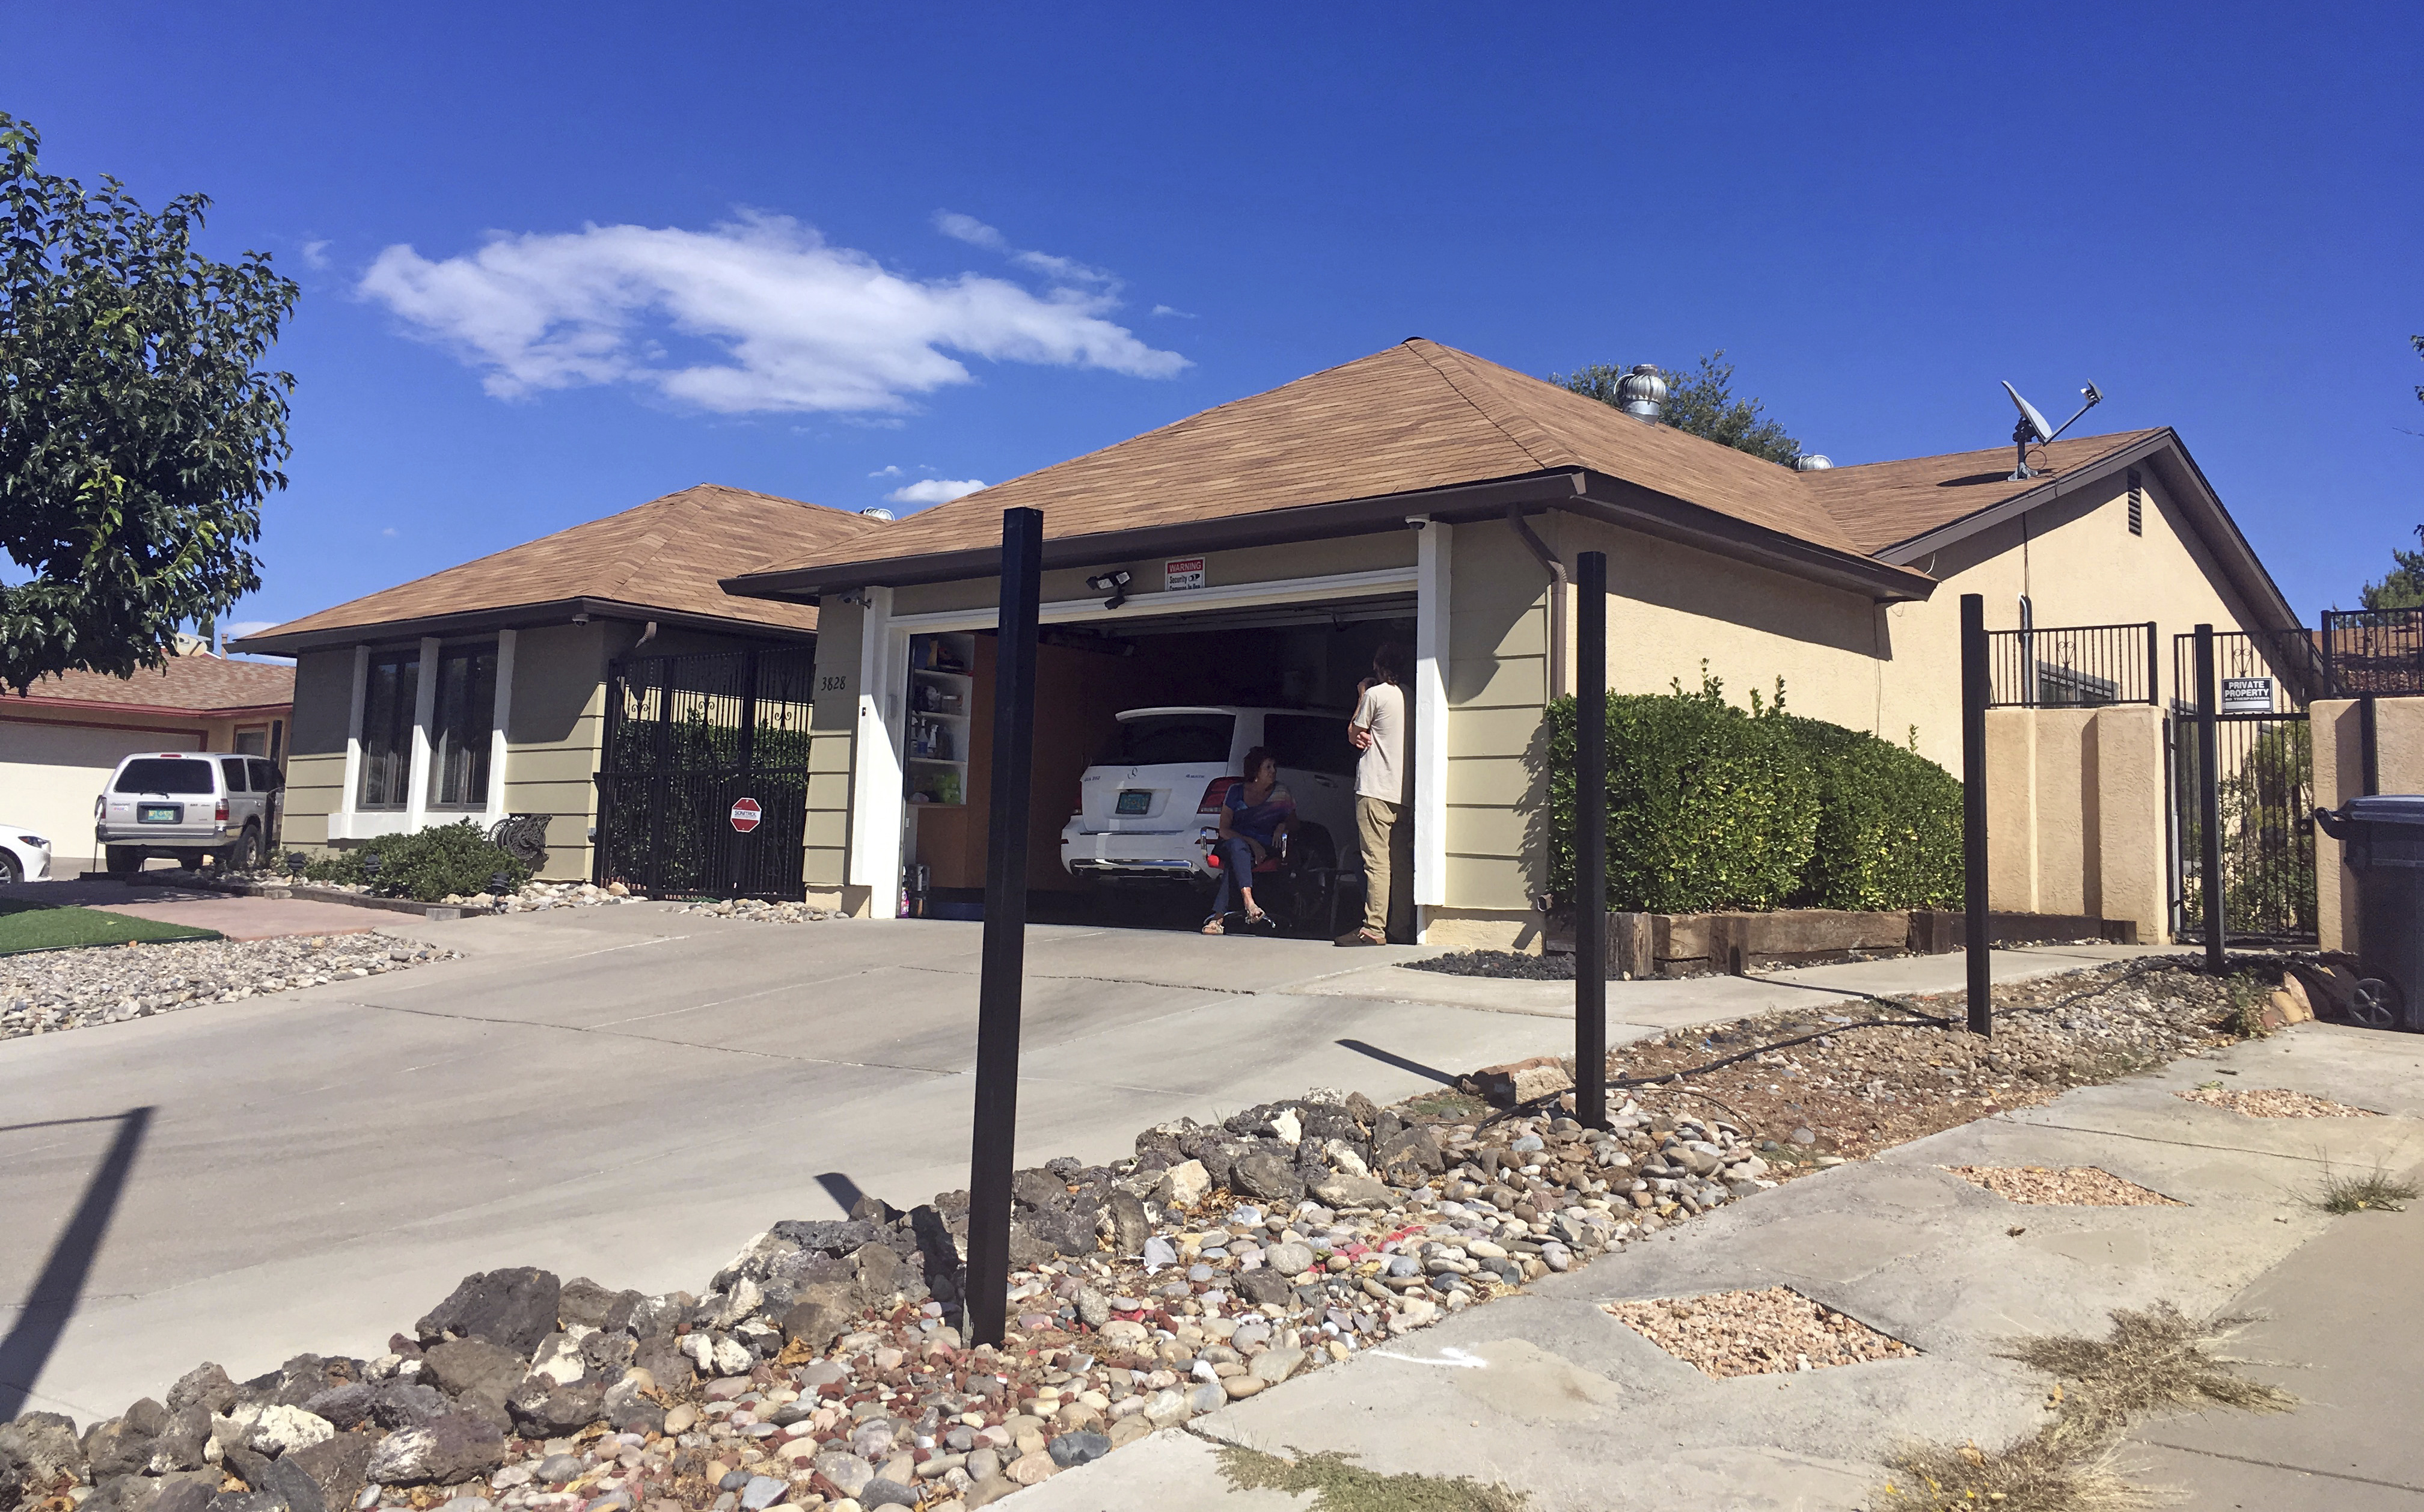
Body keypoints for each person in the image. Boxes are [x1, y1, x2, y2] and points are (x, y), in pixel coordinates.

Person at [1338, 641, 1410, 945]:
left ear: (1378, 666)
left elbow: (1354, 733)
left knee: (1376, 862)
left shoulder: (1375, 695)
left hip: (1375, 789)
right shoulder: (1413, 696)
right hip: (1404, 791)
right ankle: (1401, 927)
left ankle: (1374, 928)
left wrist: (1362, 695)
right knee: (1402, 864)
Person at [1202, 745, 1294, 934]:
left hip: (1265, 848)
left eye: (1274, 767)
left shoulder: (1281, 792)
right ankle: (1249, 902)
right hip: (1233, 843)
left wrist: (1282, 826)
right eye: (1268, 767)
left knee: (1234, 864)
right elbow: (1224, 829)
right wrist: (1252, 843)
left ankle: (1218, 918)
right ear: (1256, 772)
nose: (1273, 771)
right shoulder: (1236, 792)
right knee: (1237, 847)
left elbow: (1295, 823)